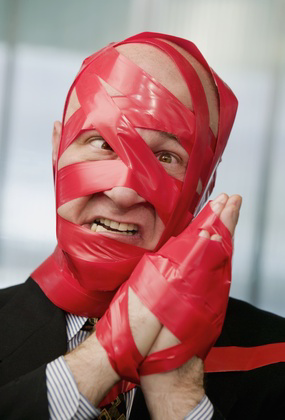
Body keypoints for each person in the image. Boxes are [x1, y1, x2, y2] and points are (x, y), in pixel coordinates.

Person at [0, 32, 284, 420]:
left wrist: (179, 396)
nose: (122, 192)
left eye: (166, 157)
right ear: (57, 149)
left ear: (206, 186)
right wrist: (99, 361)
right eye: (101, 143)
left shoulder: (273, 359)